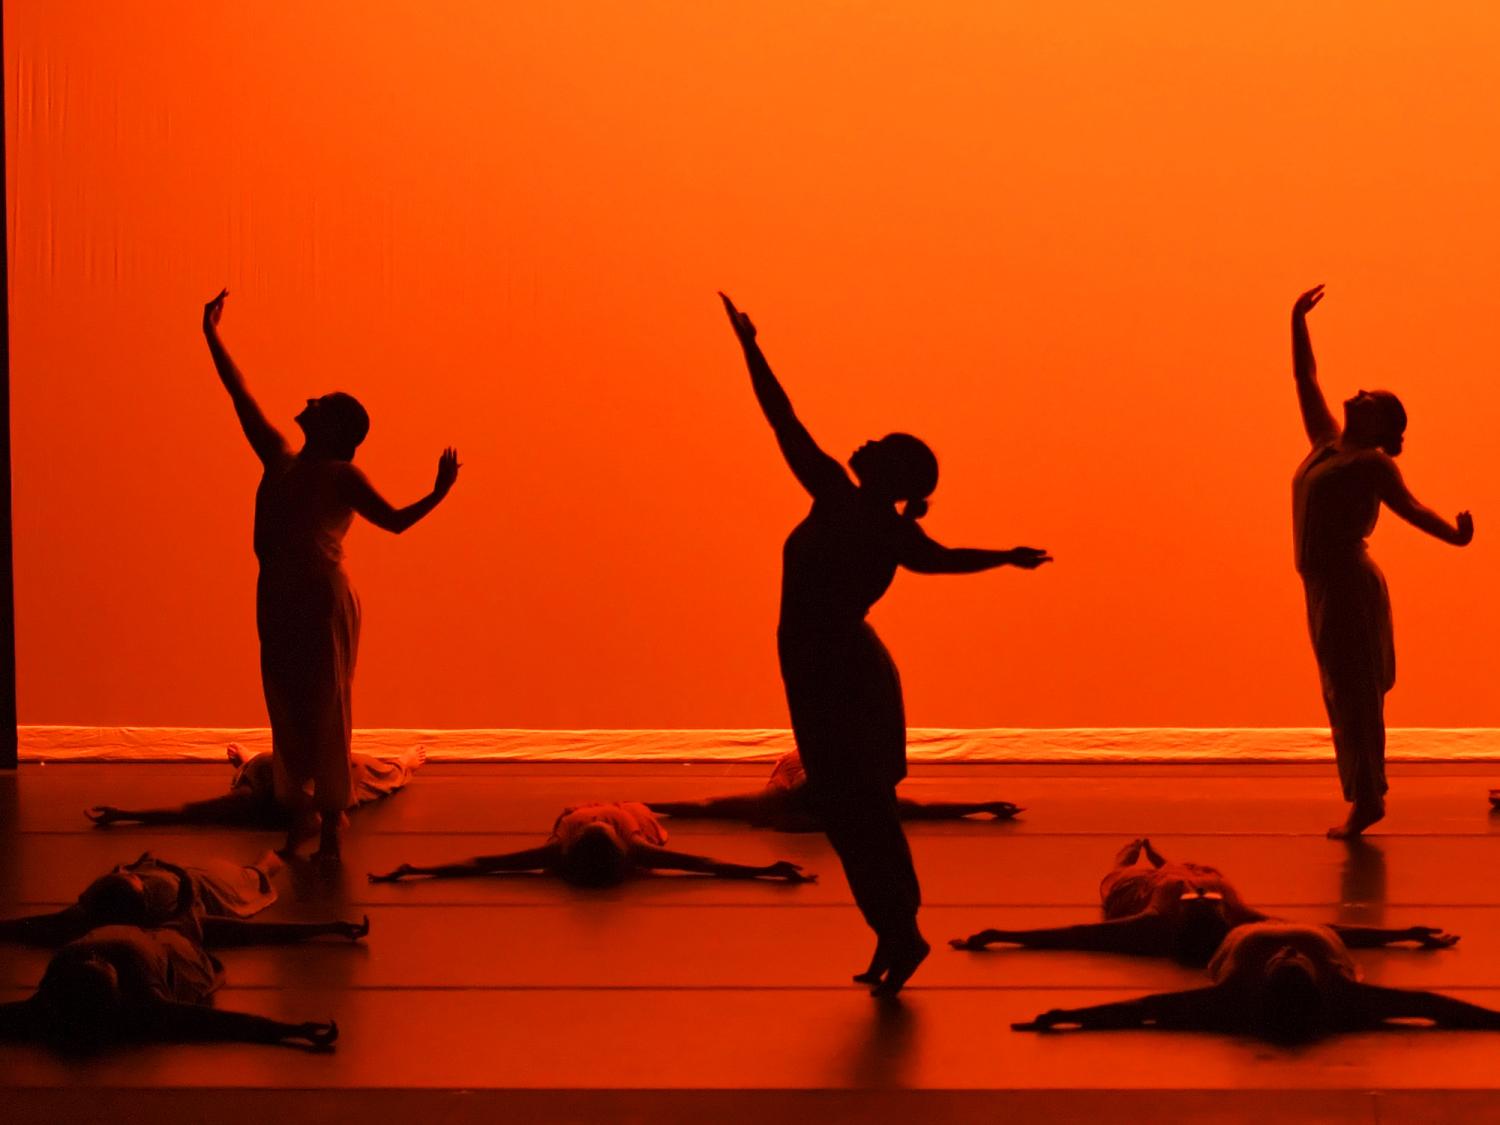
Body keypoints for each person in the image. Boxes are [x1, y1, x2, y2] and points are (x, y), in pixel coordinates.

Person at [720, 293, 1050, 996]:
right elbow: (948, 557)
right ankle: (895, 929)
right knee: (852, 812)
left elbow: (784, 420)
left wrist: (750, 346)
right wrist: (1007, 556)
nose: (862, 440)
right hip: (831, 668)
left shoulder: (842, 500)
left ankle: (900, 929)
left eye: (880, 443)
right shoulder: (882, 525)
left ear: (886, 472)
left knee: (854, 810)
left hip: (837, 673)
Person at [202, 289, 460, 859]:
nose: (309, 400)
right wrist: (212, 336)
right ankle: (302, 808)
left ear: (338, 428)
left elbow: (393, 522)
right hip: (277, 595)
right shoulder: (280, 457)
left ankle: (328, 812)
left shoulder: (344, 474)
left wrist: (437, 495)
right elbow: (240, 397)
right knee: (285, 697)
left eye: (322, 403)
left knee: (325, 699)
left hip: (320, 598)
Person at [1288, 285, 1472, 838]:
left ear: (1380, 425)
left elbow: (1412, 509)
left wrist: (1456, 538)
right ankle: (1363, 792)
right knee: (1337, 690)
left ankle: (1368, 798)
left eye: (1373, 398)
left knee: (1354, 691)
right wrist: (1296, 320)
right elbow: (1306, 379)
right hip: (1322, 585)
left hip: (1348, 584)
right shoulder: (1325, 442)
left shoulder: (1371, 464)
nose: (1360, 392)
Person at [950, 838, 1456, 965]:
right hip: (1169, 877)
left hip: (1135, 887)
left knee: (1120, 870)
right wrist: (1404, 935)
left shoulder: (1154, 922)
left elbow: (1076, 937)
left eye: (1201, 897)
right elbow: (1325, 932)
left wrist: (1003, 937)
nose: (1201, 898)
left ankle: (1139, 850)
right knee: (1148, 866)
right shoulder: (1237, 916)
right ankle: (1148, 854)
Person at [1012, 921, 1500, 1040]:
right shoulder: (1342, 992)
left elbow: (1147, 1008)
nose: (1287, 948)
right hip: (1297, 932)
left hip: (1235, 936)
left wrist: (1073, 1016)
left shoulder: (1234, 995)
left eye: (1283, 956)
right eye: (1295, 955)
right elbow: (1435, 1007)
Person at [0, 918, 337, 1051]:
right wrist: (287, 1030)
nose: (94, 955)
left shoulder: (54, 992)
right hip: (175, 948)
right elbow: (218, 1024)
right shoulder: (145, 1001)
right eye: (99, 961)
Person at [367, 801, 815, 886]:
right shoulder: (636, 844)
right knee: (703, 805)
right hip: (634, 811)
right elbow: (703, 863)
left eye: (592, 827)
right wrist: (764, 872)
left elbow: (485, 862)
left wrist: (419, 870)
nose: (597, 824)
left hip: (599, 811)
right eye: (600, 827)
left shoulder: (560, 848)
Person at [0, 849, 369, 948]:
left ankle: (277, 854)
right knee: (260, 869)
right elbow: (255, 933)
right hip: (213, 886)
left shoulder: (94, 906)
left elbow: (32, 926)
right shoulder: (174, 919)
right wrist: (326, 927)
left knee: (261, 867)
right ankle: (276, 854)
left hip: (196, 877)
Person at [647, 748, 1022, 831]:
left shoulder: (852, 793)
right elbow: (704, 805)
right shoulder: (778, 796)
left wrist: (982, 806)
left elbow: (703, 806)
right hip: (804, 770)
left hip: (818, 768)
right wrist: (981, 807)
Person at [86, 743, 424, 829]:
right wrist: (124, 814)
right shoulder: (257, 794)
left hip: (280, 768)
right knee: (377, 774)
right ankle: (403, 762)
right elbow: (190, 811)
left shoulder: (259, 783)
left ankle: (403, 762)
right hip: (282, 773)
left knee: (377, 772)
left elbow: (190, 811)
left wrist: (124, 814)